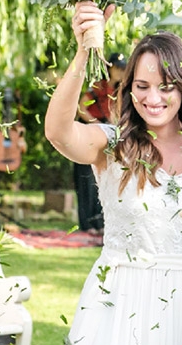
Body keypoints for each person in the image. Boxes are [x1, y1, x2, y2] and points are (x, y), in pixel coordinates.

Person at [45, 1, 182, 344]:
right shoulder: (111, 145)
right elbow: (58, 132)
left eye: (166, 86)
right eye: (142, 86)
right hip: (118, 301)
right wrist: (84, 51)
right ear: (130, 87)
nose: (153, 98)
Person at [73, 52, 126, 234]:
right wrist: (96, 124)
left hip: (111, 137)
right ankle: (87, 223)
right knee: (87, 180)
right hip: (93, 134)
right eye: (117, 68)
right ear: (110, 68)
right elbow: (81, 107)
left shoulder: (122, 90)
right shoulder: (98, 87)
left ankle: (102, 223)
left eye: (122, 69)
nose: (120, 72)